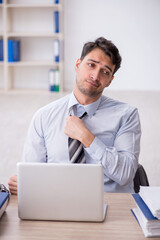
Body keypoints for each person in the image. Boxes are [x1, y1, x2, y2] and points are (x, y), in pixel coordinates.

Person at [8, 37, 141, 195]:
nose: (95, 76)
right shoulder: (44, 116)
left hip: (111, 204)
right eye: (91, 65)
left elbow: (126, 175)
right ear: (78, 65)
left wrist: (87, 137)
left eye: (105, 72)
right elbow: (31, 173)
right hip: (57, 201)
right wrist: (26, 183)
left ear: (109, 81)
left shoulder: (126, 115)